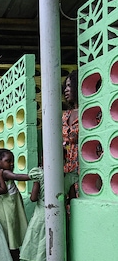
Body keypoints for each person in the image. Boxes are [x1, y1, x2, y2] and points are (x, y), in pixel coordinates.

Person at [0, 148, 32, 261]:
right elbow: (18, 177)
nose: (12, 164)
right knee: (12, 242)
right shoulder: (4, 173)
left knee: (9, 242)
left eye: (12, 161)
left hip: (7, 211)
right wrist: (34, 176)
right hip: (8, 212)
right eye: (8, 161)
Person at [20, 166, 46, 261]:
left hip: (41, 215)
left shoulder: (40, 176)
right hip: (60, 214)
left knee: (42, 247)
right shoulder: (68, 178)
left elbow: (33, 198)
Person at [62, 70, 79, 206]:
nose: (66, 90)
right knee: (66, 199)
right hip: (66, 163)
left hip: (83, 162)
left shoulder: (89, 111)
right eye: (65, 87)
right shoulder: (65, 115)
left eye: (70, 86)